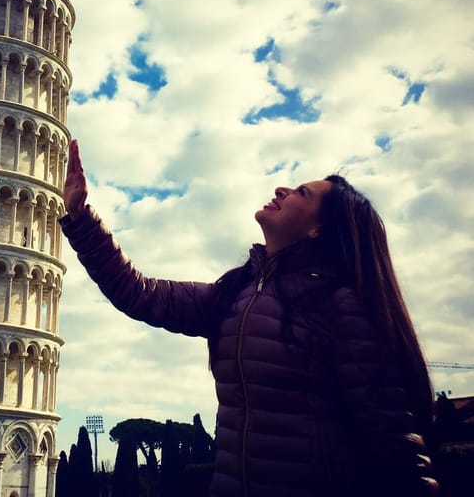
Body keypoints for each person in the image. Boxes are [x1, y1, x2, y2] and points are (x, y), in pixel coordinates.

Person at [60, 139, 439, 497]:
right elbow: (140, 294)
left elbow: (394, 445)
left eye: (301, 193)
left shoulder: (340, 305)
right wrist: (80, 216)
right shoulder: (234, 293)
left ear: (317, 229)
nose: (281, 190)